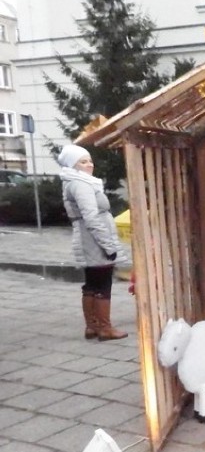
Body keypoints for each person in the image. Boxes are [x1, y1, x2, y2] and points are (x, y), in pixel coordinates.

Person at [58, 144, 129, 341]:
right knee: (102, 283)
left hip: (89, 239)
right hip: (95, 241)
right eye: (83, 161)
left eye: (89, 160)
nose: (90, 164)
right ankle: (105, 328)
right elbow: (91, 218)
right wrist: (108, 246)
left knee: (92, 283)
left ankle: (92, 326)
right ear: (73, 165)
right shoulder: (80, 184)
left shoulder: (77, 182)